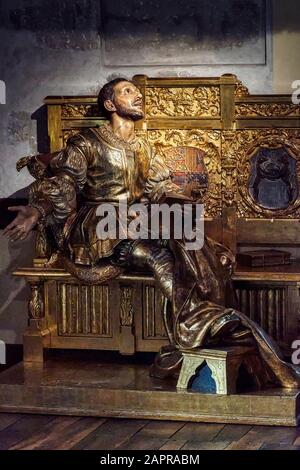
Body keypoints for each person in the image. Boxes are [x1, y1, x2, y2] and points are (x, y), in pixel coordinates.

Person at [3, 78, 300, 387]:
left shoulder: (142, 146)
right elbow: (64, 182)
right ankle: (193, 326)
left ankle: (214, 318)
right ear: (109, 104)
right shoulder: (87, 142)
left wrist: (175, 190)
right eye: (127, 91)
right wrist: (36, 210)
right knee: (160, 255)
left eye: (137, 91)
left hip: (137, 219)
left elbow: (154, 187)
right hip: (101, 226)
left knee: (204, 248)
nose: (137, 95)